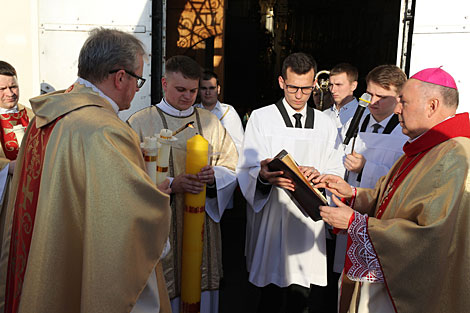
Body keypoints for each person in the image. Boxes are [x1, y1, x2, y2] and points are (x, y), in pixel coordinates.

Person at [0, 28, 171, 313]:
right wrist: (153, 198)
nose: (136, 88)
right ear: (120, 77)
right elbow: (124, 227)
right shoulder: (106, 130)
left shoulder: (47, 115)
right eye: (138, 80)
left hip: (43, 256)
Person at [315, 67, 470, 313]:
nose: (397, 109)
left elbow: (431, 236)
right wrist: (352, 194)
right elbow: (390, 197)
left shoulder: (456, 155)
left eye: (404, 102)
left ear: (432, 105)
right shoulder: (424, 146)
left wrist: (357, 224)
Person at [127, 55, 238, 313]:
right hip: (159, 224)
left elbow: (231, 166)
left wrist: (215, 178)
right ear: (164, 84)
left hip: (202, 226)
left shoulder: (210, 122)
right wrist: (170, 184)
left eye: (193, 90)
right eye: (181, 90)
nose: (188, 96)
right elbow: (128, 175)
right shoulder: (140, 122)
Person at [237, 52, 344, 313]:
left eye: (306, 89)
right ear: (281, 82)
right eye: (293, 87)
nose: (299, 95)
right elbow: (247, 166)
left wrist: (320, 175)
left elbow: (335, 165)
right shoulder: (262, 118)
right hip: (273, 213)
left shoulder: (326, 123)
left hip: (308, 217)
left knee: (302, 294)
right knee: (269, 295)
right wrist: (263, 176)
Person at [332, 65, 409, 277]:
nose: (373, 102)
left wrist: (366, 167)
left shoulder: (404, 129)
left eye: (382, 96)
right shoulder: (357, 120)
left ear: (399, 96)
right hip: (350, 207)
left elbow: (404, 176)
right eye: (370, 94)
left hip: (380, 216)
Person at [0, 61, 34, 255]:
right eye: (2, 88)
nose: (10, 93)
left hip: (29, 191)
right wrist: (6, 167)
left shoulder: (31, 114)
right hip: (5, 195)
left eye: (13, 86)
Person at [195, 70, 244, 155]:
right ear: (199, 91)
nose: (208, 92)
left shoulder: (228, 113)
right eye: (204, 88)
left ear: (218, 89)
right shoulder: (192, 111)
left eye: (212, 88)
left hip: (222, 164)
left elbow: (238, 146)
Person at [324, 63, 359, 144]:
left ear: (353, 86)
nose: (333, 90)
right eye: (330, 85)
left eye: (338, 84)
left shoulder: (365, 115)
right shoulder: (324, 114)